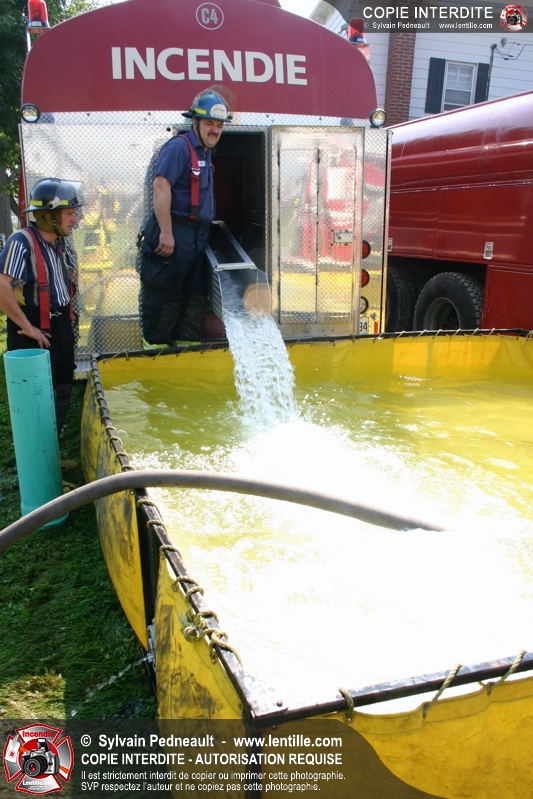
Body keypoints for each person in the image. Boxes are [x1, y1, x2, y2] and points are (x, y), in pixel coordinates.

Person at [140, 89, 232, 348]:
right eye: (209, 123)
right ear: (195, 121)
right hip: (175, 233)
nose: (215, 130)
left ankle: (186, 358)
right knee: (164, 303)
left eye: (219, 125)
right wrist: (166, 232)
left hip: (196, 238)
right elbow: (161, 186)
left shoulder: (205, 152)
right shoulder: (179, 147)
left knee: (192, 304)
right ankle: (155, 362)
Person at [0, 177, 83, 439]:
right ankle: (35, 450)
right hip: (32, 329)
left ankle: (53, 444)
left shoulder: (63, 243)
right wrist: (28, 327)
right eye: (69, 214)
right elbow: (1, 286)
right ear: (49, 216)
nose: (75, 220)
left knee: (63, 383)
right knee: (35, 392)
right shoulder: (20, 241)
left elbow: (68, 280)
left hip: (60, 326)